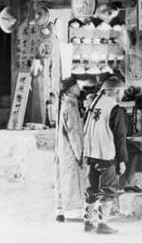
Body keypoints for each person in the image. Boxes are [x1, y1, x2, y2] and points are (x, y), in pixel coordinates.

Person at [82, 76, 128, 234]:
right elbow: (120, 137)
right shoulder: (115, 108)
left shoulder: (94, 103)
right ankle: (102, 223)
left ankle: (87, 221)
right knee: (109, 189)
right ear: (115, 92)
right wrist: (122, 160)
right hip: (106, 154)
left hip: (91, 153)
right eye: (121, 92)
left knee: (93, 187)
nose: (122, 95)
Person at [54, 77, 84, 223]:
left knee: (63, 179)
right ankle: (72, 213)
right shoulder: (70, 106)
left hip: (63, 149)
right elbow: (73, 132)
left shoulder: (65, 104)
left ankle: (60, 211)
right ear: (71, 89)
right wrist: (79, 154)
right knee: (71, 180)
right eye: (77, 86)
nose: (80, 88)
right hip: (70, 150)